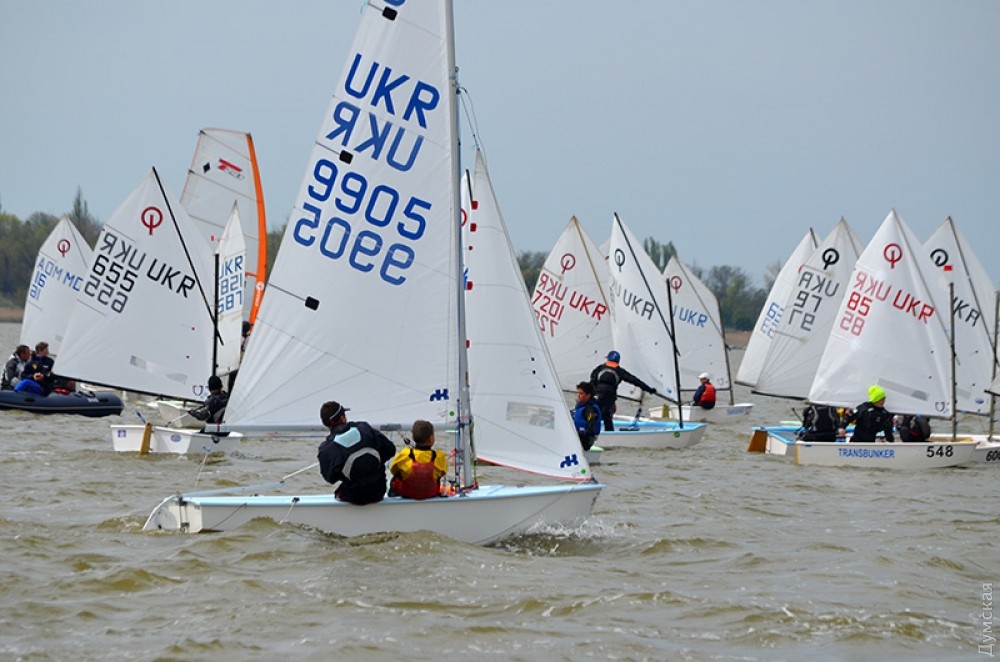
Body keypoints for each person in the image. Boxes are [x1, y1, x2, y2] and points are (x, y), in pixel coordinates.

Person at [317, 400, 396, 505]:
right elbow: (390, 450)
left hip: (353, 496)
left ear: (325, 423)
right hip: (379, 491)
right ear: (342, 418)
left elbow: (330, 478)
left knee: (341, 491)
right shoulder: (364, 428)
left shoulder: (326, 449)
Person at [590, 350, 658, 432]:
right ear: (618, 361)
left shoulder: (600, 368)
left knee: (594, 413)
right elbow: (635, 381)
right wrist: (649, 389)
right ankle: (610, 434)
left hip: (597, 394)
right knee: (607, 416)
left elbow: (592, 380)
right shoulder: (620, 371)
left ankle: (590, 431)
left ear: (608, 359)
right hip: (610, 396)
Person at [389, 419, 448, 499]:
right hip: (430, 494)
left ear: (413, 437)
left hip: (407, 495)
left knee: (398, 476)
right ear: (431, 438)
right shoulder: (439, 456)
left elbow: (393, 470)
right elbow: (443, 472)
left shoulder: (405, 454)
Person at [572, 381, 602, 451]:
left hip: (585, 440)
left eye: (581, 393)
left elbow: (591, 423)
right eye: (578, 393)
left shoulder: (590, 410)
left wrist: (586, 441)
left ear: (588, 395)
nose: (578, 396)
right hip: (577, 436)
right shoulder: (580, 407)